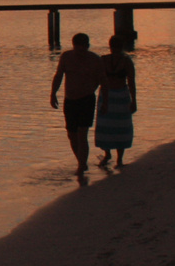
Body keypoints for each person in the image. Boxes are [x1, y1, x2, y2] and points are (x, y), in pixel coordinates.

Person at [50, 32, 103, 175]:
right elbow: (59, 75)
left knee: (82, 133)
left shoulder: (94, 59)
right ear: (74, 46)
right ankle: (81, 161)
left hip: (86, 99)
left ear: (87, 46)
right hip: (70, 99)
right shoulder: (67, 57)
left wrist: (98, 93)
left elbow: (102, 80)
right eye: (78, 48)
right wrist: (53, 93)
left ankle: (82, 164)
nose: (80, 52)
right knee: (71, 134)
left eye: (83, 49)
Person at [96, 35, 137, 167]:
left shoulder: (103, 60)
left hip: (106, 94)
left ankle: (107, 154)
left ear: (110, 46)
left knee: (105, 126)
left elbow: (98, 80)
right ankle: (119, 159)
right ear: (122, 46)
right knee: (121, 127)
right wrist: (134, 100)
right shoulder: (126, 61)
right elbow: (131, 82)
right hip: (121, 95)